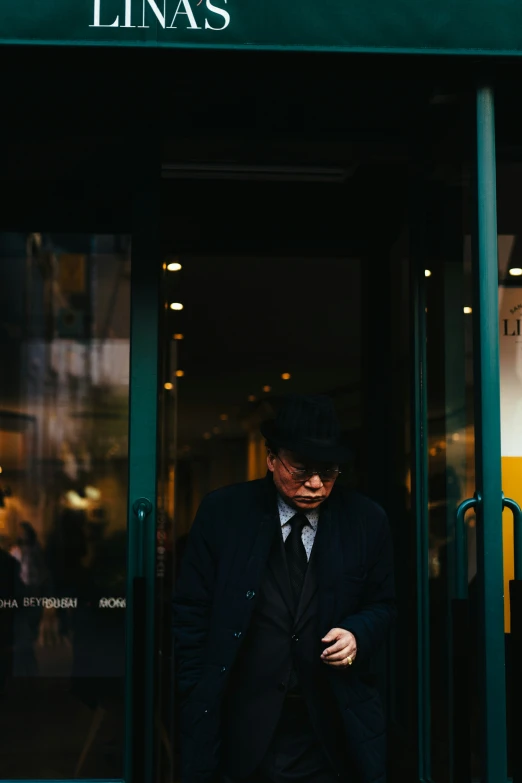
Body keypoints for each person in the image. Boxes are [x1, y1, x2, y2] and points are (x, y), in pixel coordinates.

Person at [173, 395, 396, 783]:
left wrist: (359, 633)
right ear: (271, 459)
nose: (315, 484)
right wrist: (197, 696)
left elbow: (384, 604)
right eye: (302, 469)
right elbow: (191, 612)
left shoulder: (366, 520)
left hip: (331, 722)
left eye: (328, 472)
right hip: (238, 722)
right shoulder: (223, 514)